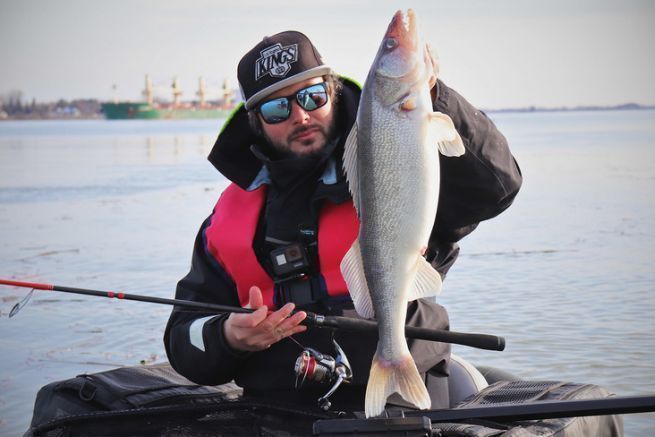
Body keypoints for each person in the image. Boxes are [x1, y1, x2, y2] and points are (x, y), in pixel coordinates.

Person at [164, 30, 522, 412]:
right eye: (276, 109)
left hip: (404, 398)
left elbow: (498, 186)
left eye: (311, 96)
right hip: (276, 406)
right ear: (256, 122)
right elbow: (184, 338)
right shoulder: (227, 219)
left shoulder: (398, 162)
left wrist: (435, 96)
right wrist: (228, 336)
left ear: (332, 93)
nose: (300, 116)